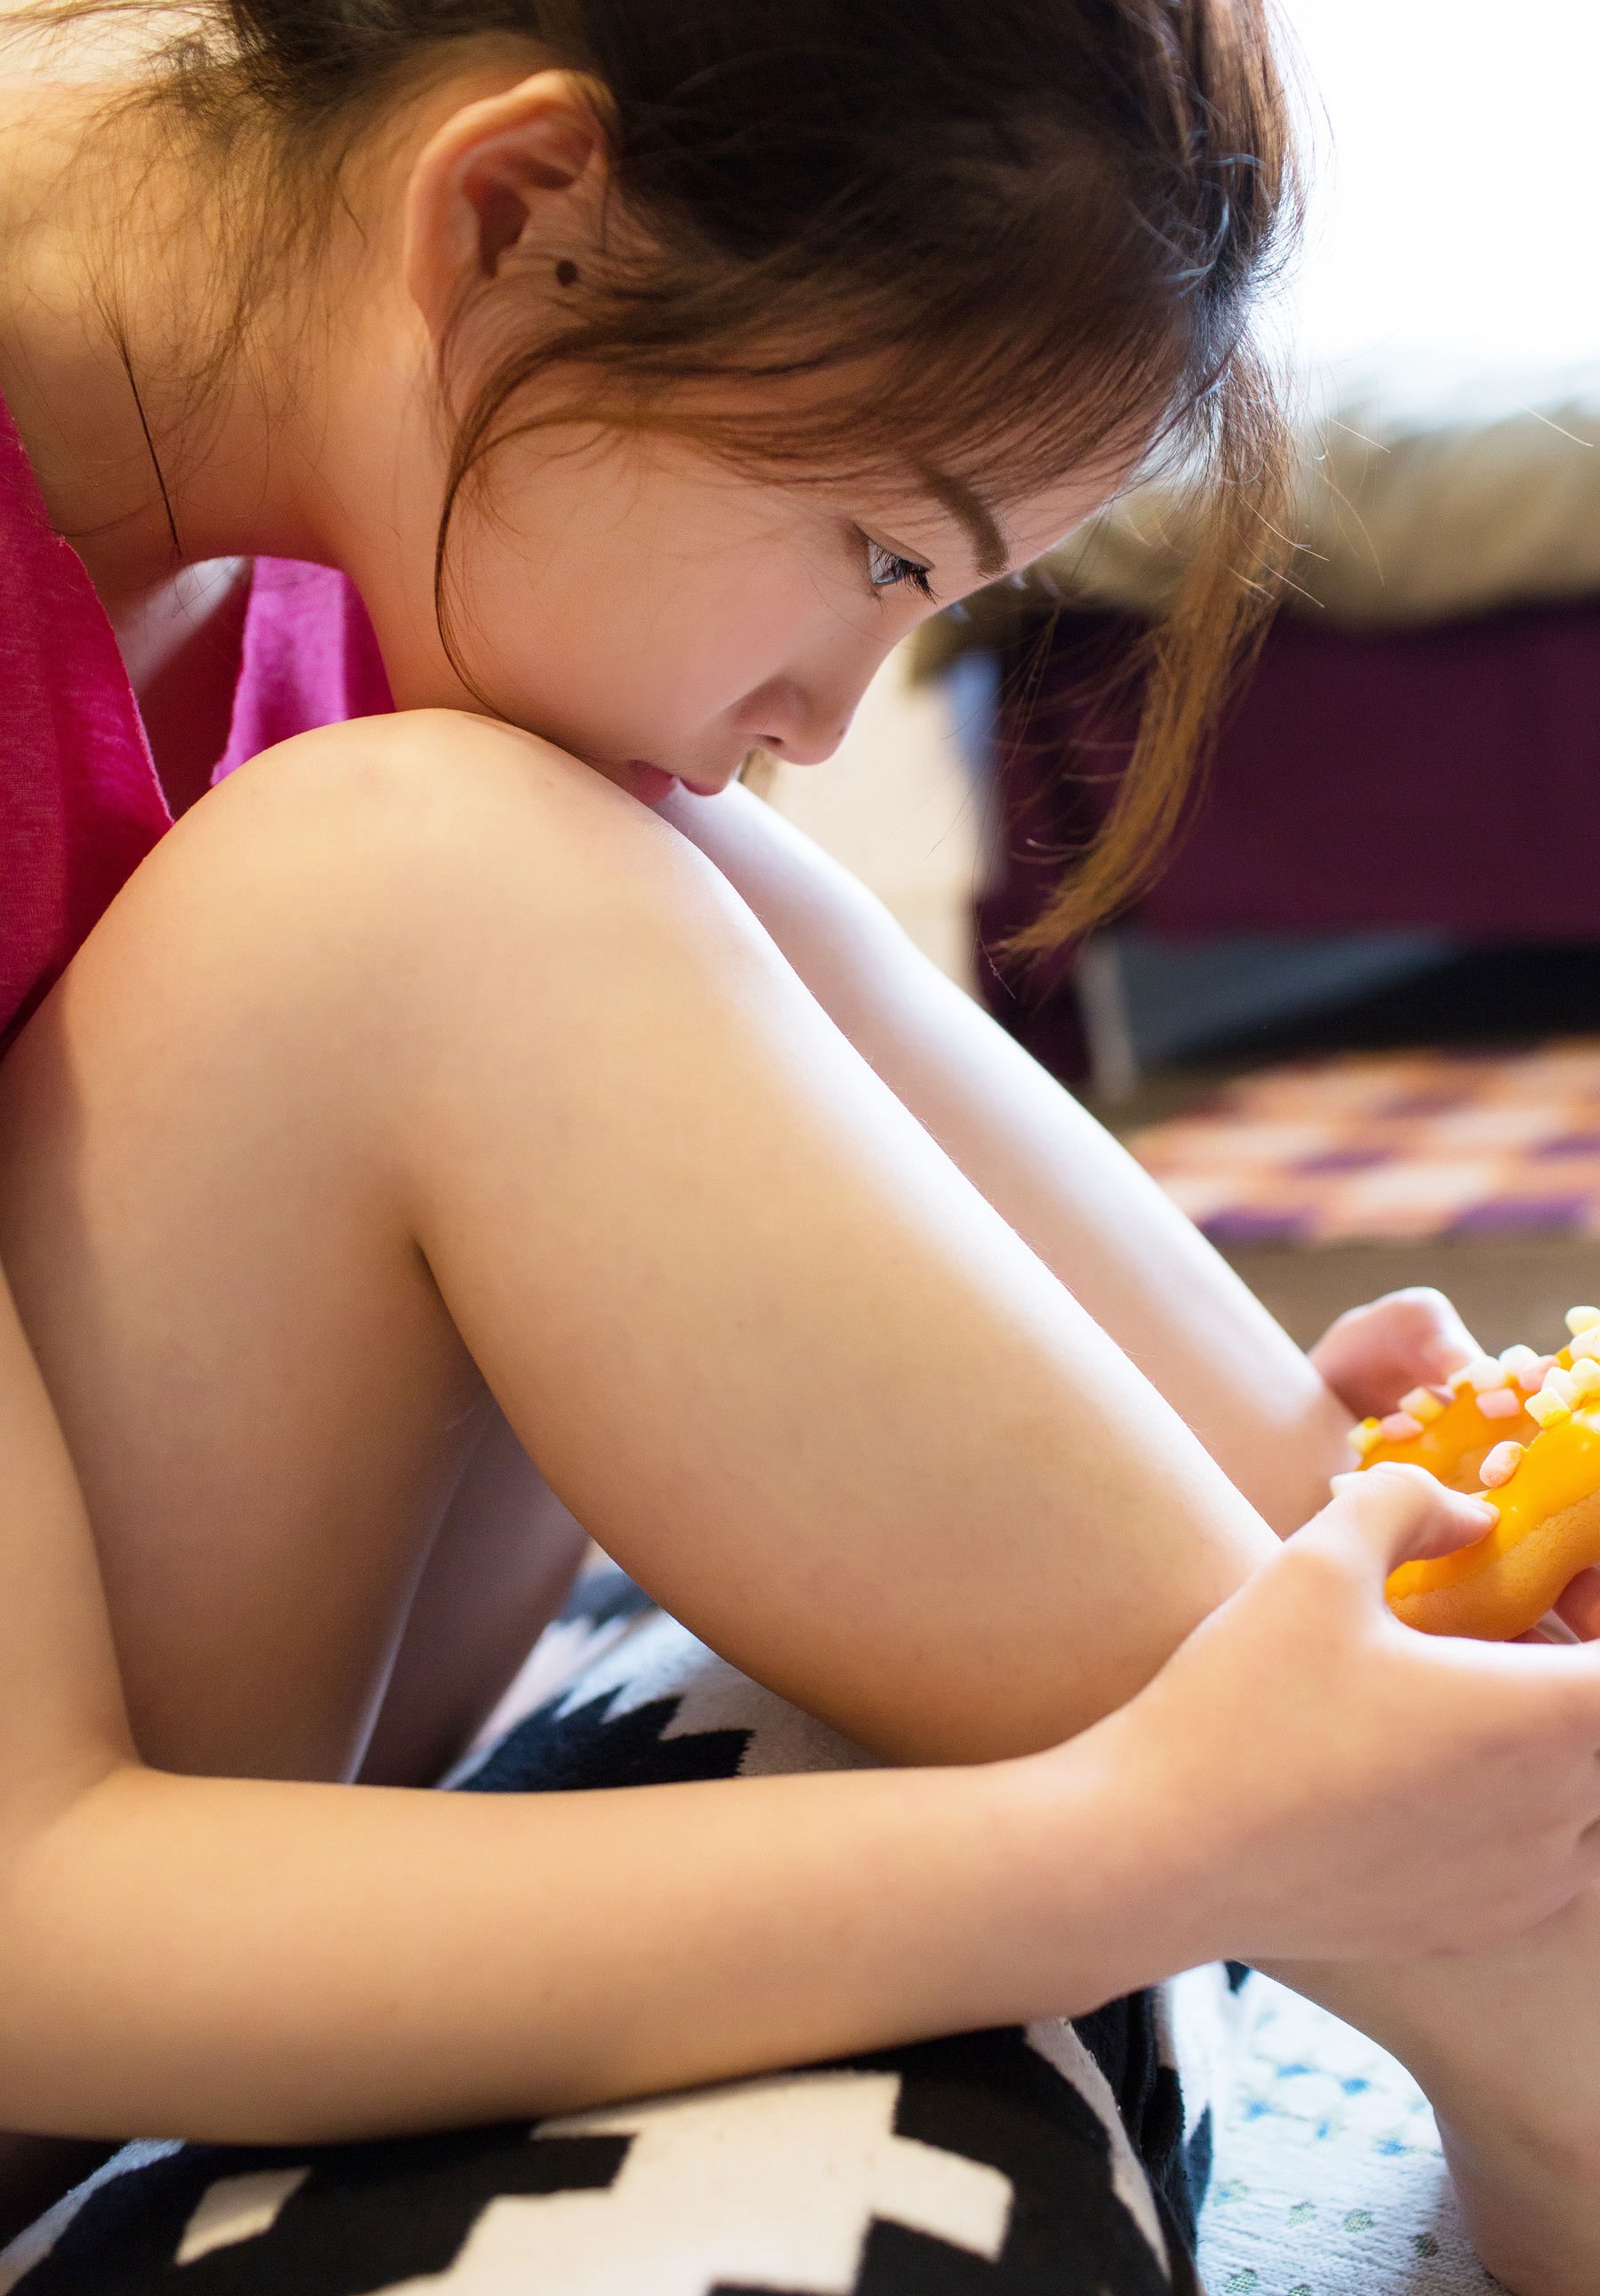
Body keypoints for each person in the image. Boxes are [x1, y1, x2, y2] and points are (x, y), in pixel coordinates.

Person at [0, 4, 1595, 2290]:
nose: (833, 714)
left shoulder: (330, 428)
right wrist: (1145, 1843)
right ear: (510, 213)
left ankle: (1413, 1633)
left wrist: (1188, 1437)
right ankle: (1531, 1986)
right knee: (414, 877)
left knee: (597, 845)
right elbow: (24, 1917)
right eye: (875, 551)